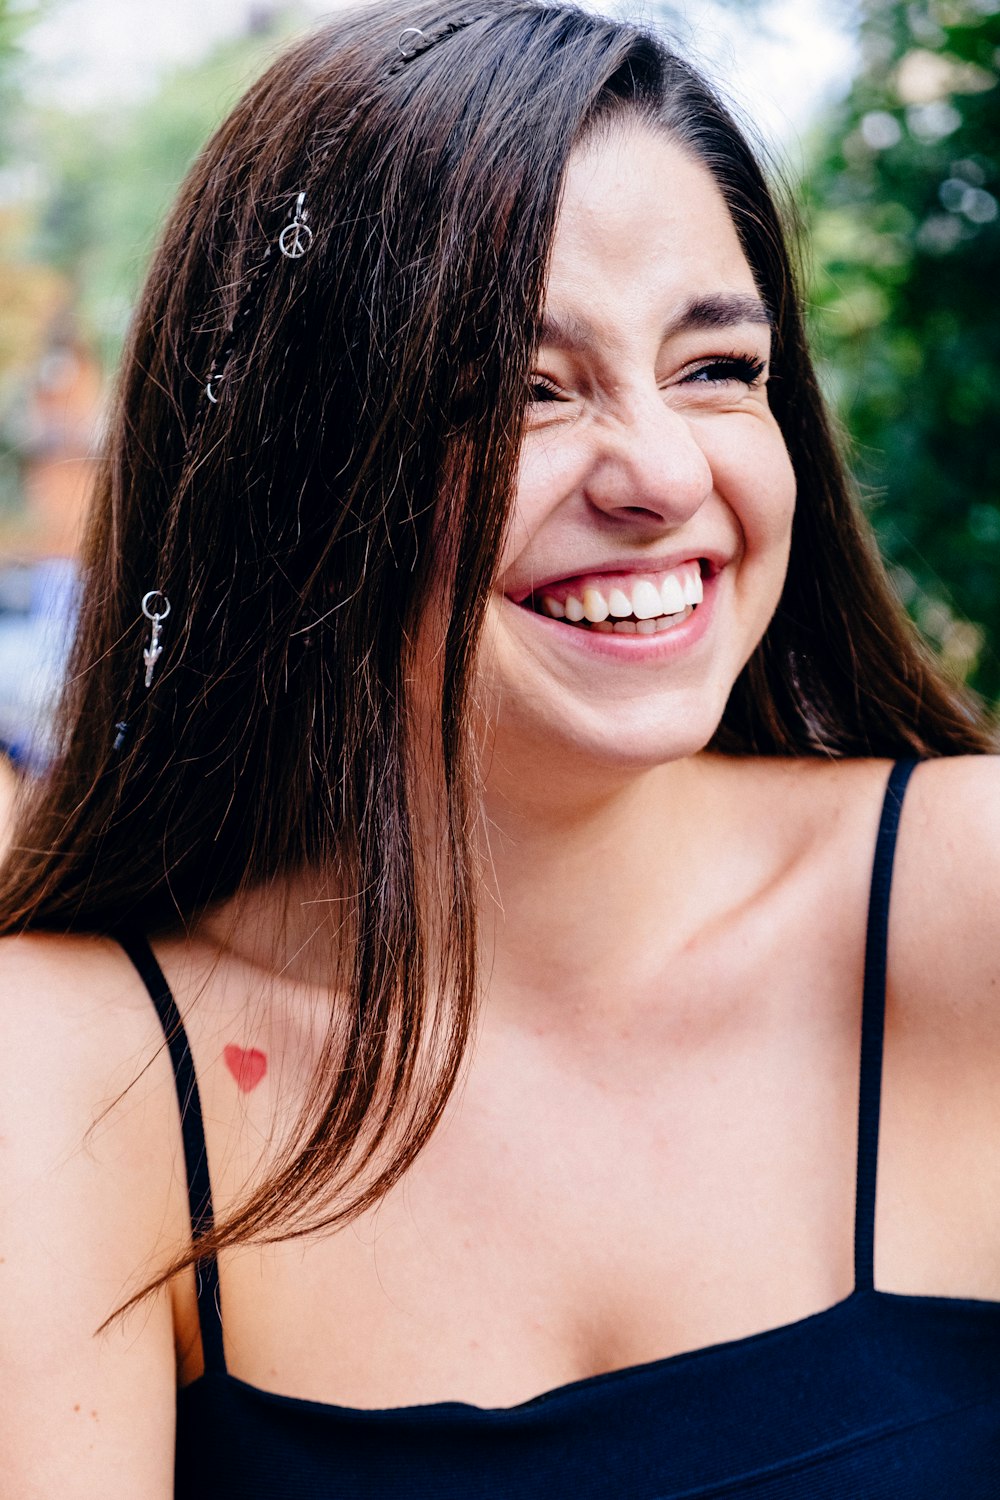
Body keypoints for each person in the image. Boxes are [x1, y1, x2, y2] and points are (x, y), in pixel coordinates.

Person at [2, 2, 999, 1494]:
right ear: (290, 475)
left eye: (718, 368)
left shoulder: (967, 901)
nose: (663, 475)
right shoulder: (77, 1070)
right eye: (522, 390)